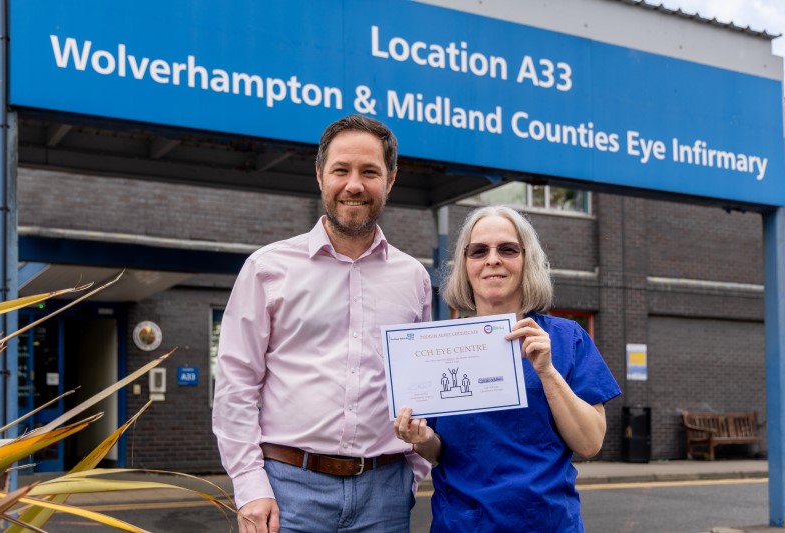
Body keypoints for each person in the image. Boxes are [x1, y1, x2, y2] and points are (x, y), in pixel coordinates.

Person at [213, 114, 432, 533]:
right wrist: (249, 485)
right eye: (341, 170)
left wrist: (411, 477)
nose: (355, 185)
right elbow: (236, 384)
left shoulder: (414, 278)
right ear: (319, 176)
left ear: (390, 179)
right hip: (288, 491)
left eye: (370, 171)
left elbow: (419, 387)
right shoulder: (267, 268)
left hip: (385, 494)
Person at [394, 205, 621, 532]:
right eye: (479, 251)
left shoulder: (566, 339)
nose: (492, 260)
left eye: (507, 249)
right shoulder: (440, 346)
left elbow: (589, 443)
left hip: (545, 522)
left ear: (527, 259)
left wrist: (547, 373)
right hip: (461, 523)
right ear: (466, 264)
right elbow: (440, 451)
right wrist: (421, 438)